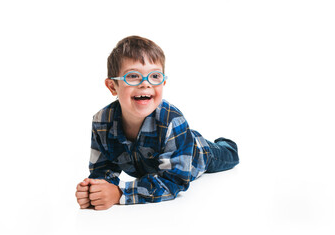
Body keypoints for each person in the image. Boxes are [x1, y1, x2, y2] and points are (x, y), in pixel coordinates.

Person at [75, 36, 239, 210]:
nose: (145, 84)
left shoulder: (172, 120)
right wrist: (93, 189)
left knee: (228, 154)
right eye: (132, 76)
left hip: (197, 154)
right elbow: (103, 169)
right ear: (112, 86)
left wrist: (120, 194)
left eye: (154, 76)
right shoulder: (102, 121)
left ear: (163, 82)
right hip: (165, 154)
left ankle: (224, 144)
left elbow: (173, 181)